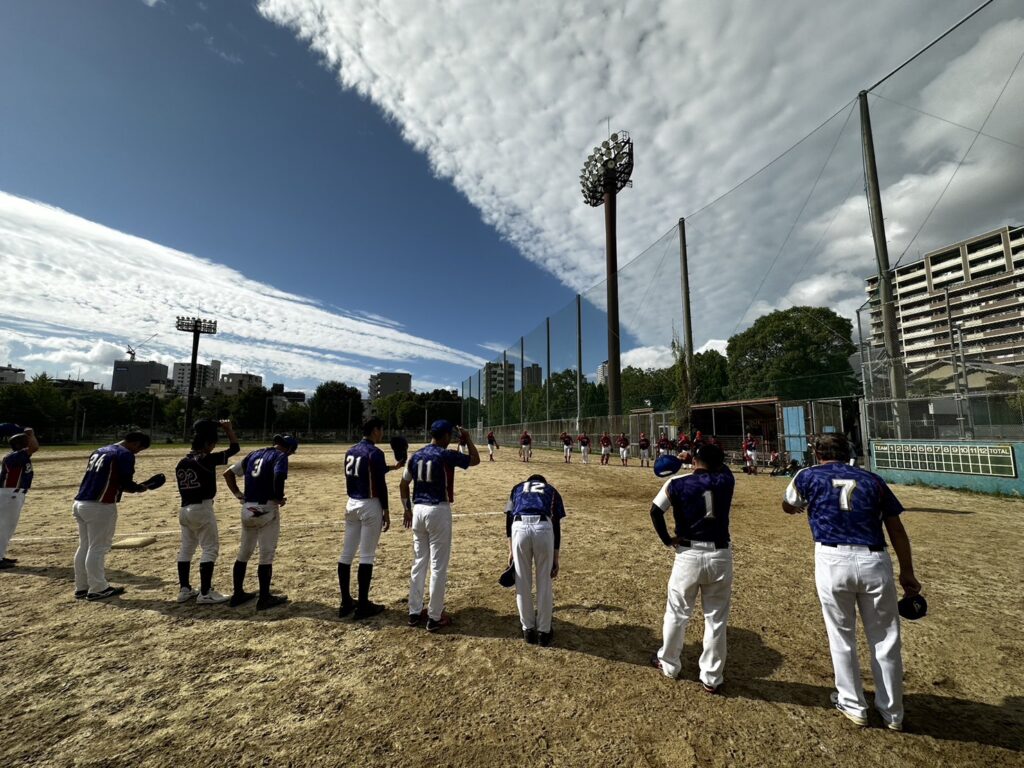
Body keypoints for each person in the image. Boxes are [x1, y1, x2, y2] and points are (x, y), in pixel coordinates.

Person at [783, 433, 921, 731]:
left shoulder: (808, 475)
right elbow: (896, 529)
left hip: (832, 558)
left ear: (816, 452)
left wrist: (798, 508)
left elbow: (788, 503)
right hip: (874, 558)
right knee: (886, 639)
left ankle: (852, 703)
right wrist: (907, 571)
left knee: (841, 635)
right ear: (848, 453)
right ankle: (892, 711)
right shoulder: (872, 480)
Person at [649, 443, 735, 692]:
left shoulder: (676, 483)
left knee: (677, 612)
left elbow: (655, 511)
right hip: (720, 553)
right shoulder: (726, 481)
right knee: (716, 618)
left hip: (688, 552)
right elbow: (722, 468)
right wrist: (700, 458)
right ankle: (711, 676)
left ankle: (669, 663)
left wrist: (667, 539)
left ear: (695, 461)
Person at [401, 420, 479, 631]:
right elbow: (475, 459)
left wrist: (406, 508)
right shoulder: (445, 454)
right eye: (450, 436)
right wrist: (468, 438)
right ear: (444, 435)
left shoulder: (415, 455)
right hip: (438, 511)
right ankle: (435, 616)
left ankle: (414, 611)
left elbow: (403, 484)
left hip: (418, 510)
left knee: (419, 563)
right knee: (438, 566)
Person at [72, 432, 159, 601]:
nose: (137, 452)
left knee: (84, 546)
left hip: (80, 502)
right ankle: (98, 588)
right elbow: (125, 483)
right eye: (139, 449)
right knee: (98, 547)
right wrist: (138, 488)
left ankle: (82, 586)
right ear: (136, 443)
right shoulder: (124, 454)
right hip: (100, 504)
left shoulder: (100, 450)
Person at [223, 433, 298, 611]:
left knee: (244, 552)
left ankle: (238, 593)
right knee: (266, 554)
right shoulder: (280, 457)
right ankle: (264, 598)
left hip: (247, 507)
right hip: (266, 508)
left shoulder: (254, 454)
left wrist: (238, 494)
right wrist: (279, 497)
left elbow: (228, 474)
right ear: (288, 448)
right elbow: (279, 477)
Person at [339, 418, 402, 620]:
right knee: (366, 556)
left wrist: (393, 467)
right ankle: (363, 604)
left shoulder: (351, 451)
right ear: (375, 430)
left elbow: (371, 471)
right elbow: (380, 484)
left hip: (352, 503)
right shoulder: (375, 452)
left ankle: (346, 601)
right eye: (381, 430)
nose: (382, 433)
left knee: (346, 555)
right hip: (370, 504)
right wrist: (386, 510)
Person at [173, 419, 240, 604]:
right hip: (201, 508)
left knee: (186, 549)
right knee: (210, 549)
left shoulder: (182, 462)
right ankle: (205, 593)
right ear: (205, 444)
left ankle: (185, 589)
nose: (213, 447)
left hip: (184, 509)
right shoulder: (206, 459)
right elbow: (234, 449)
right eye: (212, 444)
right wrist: (228, 429)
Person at [504, 474, 565, 647]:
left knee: (522, 580)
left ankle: (527, 629)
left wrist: (510, 549)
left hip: (518, 527)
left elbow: (508, 518)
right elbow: (556, 525)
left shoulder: (517, 488)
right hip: (543, 527)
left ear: (528, 481)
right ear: (542, 483)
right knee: (544, 581)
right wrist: (556, 557)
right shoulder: (551, 490)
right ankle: (544, 632)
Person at [0, 427, 39, 568]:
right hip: (10, 495)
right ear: (19, 445)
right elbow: (35, 447)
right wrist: (31, 434)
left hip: (13, 495)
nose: (29, 442)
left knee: (7, 527)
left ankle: (1, 555)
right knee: (3, 527)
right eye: (26, 441)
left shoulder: (17, 456)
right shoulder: (15, 456)